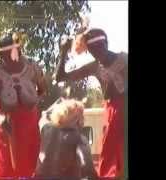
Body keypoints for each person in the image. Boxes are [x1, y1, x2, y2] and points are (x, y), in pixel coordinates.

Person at [55, 28, 127, 179]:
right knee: (109, 156)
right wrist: (64, 52)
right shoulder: (94, 66)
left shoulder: (124, 60)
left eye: (100, 46)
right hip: (111, 113)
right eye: (93, 49)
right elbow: (61, 77)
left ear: (106, 43)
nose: (97, 52)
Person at [0, 32, 47, 178]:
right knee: (3, 173)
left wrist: (31, 102)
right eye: (7, 56)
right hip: (3, 128)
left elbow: (42, 89)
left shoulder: (32, 66)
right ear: (0, 55)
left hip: (28, 129)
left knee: (29, 171)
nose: (12, 59)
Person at [34, 98, 98, 180]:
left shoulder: (46, 131)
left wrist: (58, 105)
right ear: (78, 119)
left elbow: (45, 115)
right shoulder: (79, 139)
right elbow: (87, 168)